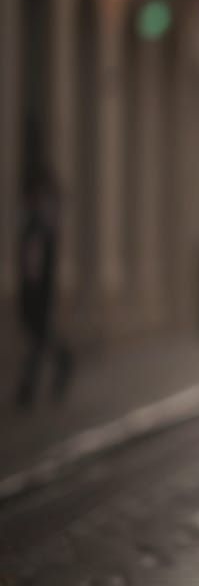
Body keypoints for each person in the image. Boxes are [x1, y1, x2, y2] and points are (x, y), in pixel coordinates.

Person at [15, 164, 74, 408]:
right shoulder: (40, 224)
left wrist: (31, 291)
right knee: (40, 339)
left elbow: (34, 265)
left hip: (36, 293)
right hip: (35, 292)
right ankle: (62, 361)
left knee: (39, 340)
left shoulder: (39, 226)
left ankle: (28, 389)